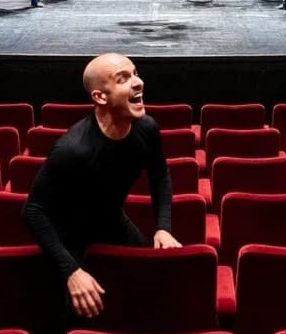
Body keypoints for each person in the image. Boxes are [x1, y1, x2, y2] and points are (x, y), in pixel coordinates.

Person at [22, 53, 181, 318]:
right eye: (123, 79)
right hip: (68, 236)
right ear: (100, 97)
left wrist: (163, 228)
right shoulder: (73, 149)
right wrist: (70, 270)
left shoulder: (147, 129)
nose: (138, 82)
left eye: (135, 73)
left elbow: (160, 175)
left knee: (153, 290)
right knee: (83, 315)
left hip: (112, 221)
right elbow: (33, 210)